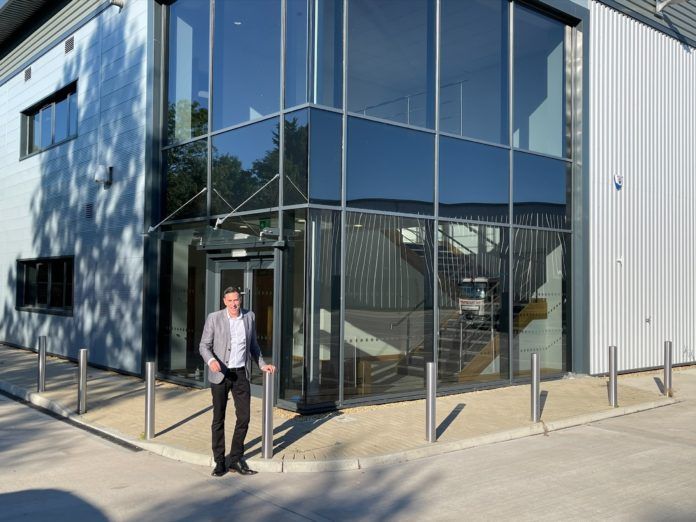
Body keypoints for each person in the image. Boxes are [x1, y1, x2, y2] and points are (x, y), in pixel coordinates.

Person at [199, 286, 276, 477]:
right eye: (230, 300)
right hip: (220, 374)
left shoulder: (249, 317)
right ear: (224, 301)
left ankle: (235, 459)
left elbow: (254, 346)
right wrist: (211, 361)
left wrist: (262, 365)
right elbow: (204, 345)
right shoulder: (214, 318)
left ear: (240, 300)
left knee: (244, 417)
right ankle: (219, 461)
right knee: (219, 418)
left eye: (237, 300)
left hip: (241, 374)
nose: (234, 304)